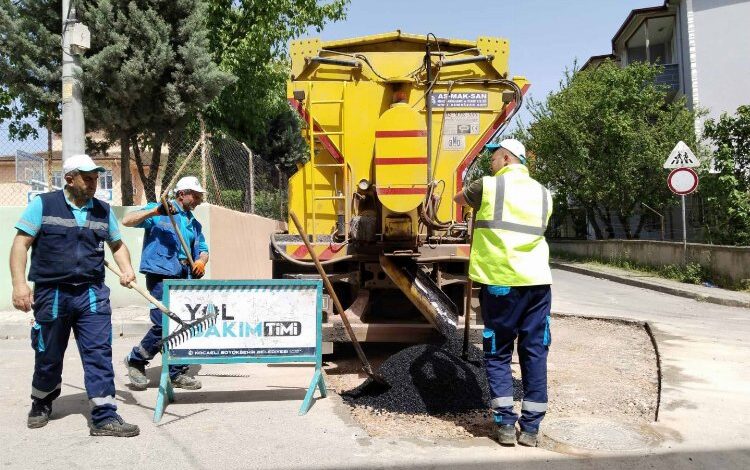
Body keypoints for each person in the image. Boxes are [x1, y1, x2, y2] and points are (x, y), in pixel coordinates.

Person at [10, 154, 140, 437]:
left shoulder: (103, 211)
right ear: (69, 179)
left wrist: (127, 269)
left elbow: (117, 245)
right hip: (52, 292)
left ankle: (105, 414)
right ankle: (42, 401)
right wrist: (19, 284)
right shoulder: (43, 205)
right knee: (48, 353)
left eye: (96, 178)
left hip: (91, 292)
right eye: (88, 178)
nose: (94, 183)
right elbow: (21, 244)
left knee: (99, 352)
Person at [454, 138, 553, 447]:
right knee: (535, 351)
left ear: (508, 159)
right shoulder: (545, 194)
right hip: (538, 282)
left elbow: (459, 199)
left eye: (494, 157)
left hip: (501, 284)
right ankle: (532, 429)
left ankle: (506, 425)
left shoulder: (488, 186)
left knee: (497, 353)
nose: (491, 163)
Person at [122, 176, 209, 390]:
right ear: (182, 194)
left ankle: (175, 372)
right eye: (195, 196)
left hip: (183, 276)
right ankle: (136, 360)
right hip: (161, 275)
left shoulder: (193, 223)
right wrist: (155, 212)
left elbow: (204, 249)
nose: (198, 200)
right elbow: (127, 220)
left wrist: (200, 261)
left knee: (183, 323)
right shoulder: (160, 211)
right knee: (163, 323)